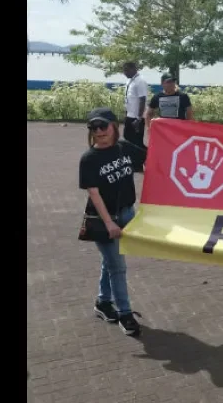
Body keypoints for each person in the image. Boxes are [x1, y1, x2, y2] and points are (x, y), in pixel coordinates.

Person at [79, 107, 147, 336]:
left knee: (110, 261)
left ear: (114, 126)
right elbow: (94, 194)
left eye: (103, 126)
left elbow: (152, 158)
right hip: (104, 218)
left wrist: (157, 127)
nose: (99, 131)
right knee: (118, 267)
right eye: (94, 127)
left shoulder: (124, 147)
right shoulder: (89, 159)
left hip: (128, 212)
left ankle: (102, 302)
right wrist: (109, 223)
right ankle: (125, 314)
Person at [122, 62, 148, 146]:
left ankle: (143, 158)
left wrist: (138, 119)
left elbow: (142, 100)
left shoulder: (140, 81)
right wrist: (126, 114)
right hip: (129, 116)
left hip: (136, 118)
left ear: (134, 69)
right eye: (124, 70)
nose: (124, 73)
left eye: (126, 70)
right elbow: (129, 99)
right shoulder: (129, 80)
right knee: (127, 138)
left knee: (137, 142)